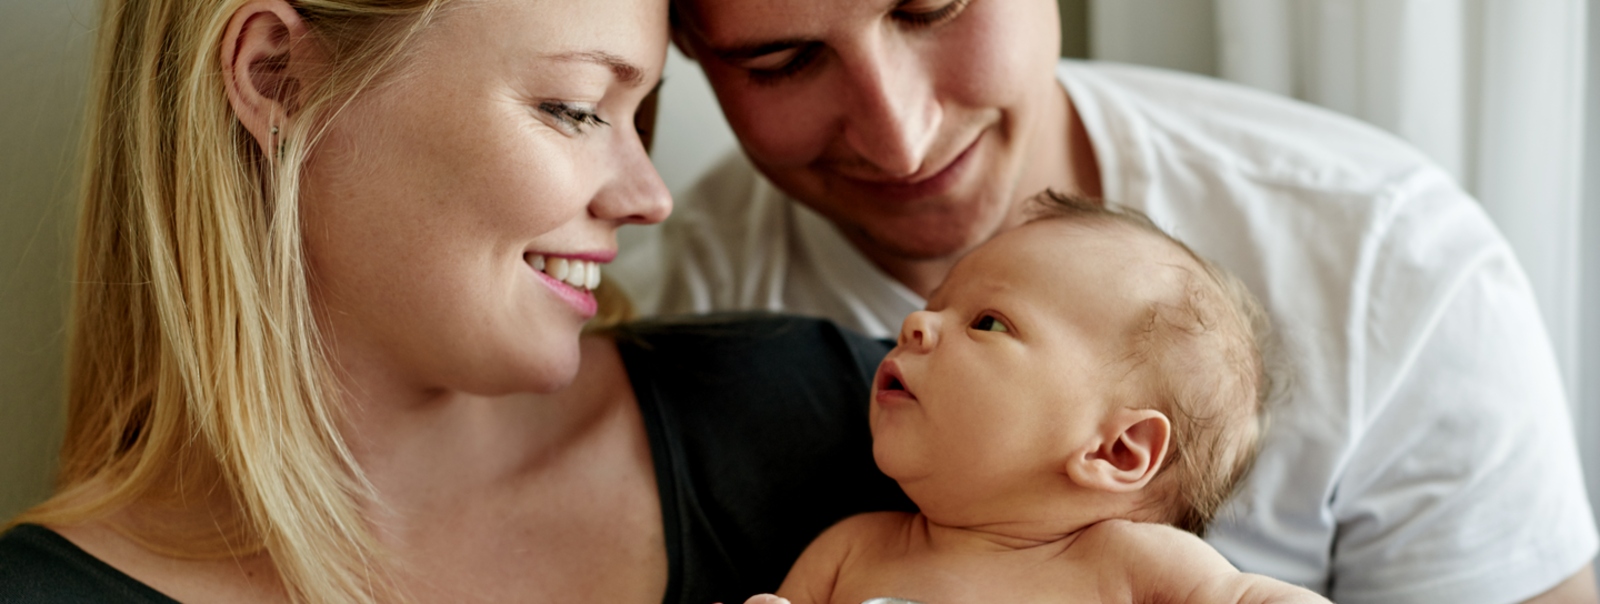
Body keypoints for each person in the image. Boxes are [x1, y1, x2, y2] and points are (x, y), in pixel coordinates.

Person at [611, 0, 1600, 602]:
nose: (898, 136)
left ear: (1120, 448)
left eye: (933, 4)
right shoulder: (671, 321)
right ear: (688, 51)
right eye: (780, 60)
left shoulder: (1391, 258)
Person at [0, 1, 915, 603]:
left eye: (644, 118)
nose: (648, 195)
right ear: (278, 74)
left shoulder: (844, 421)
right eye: (575, 107)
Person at [741, 194, 1330, 604]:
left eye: (988, 323)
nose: (916, 322)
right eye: (935, 302)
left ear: (1117, 450)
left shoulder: (1129, 565)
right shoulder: (850, 549)